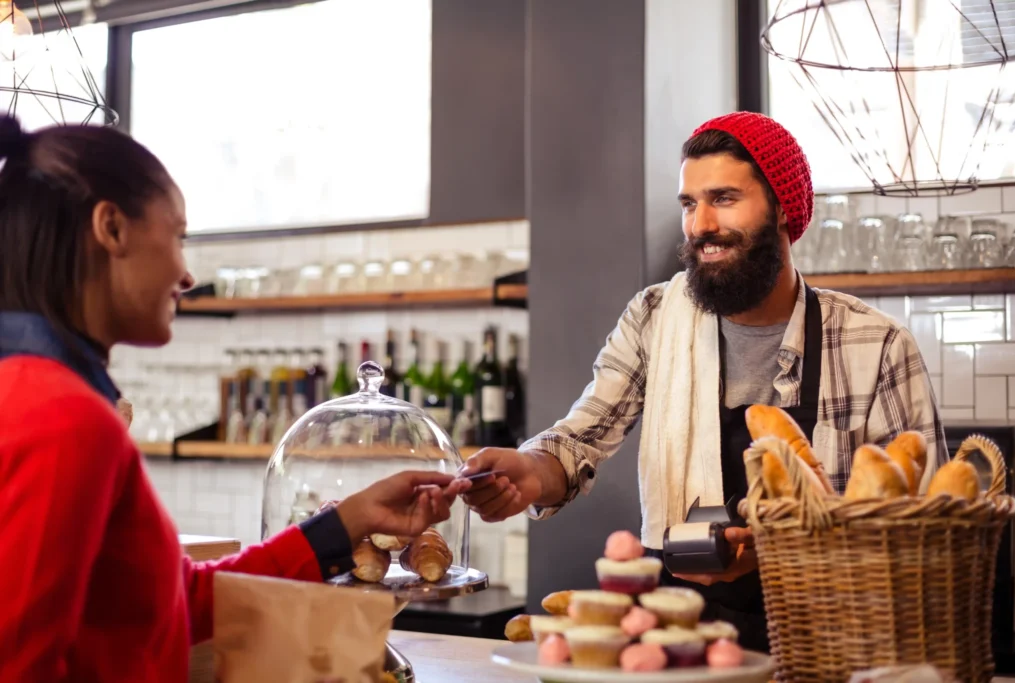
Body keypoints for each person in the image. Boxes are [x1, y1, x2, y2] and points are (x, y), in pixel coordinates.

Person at [0, 114, 470, 683]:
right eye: (177, 237)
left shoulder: (34, 394)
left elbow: (175, 601)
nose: (186, 273)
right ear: (111, 229)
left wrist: (345, 523)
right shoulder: (67, 419)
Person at [459, 111, 948, 652]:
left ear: (784, 209)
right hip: (678, 631)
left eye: (724, 198)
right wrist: (527, 472)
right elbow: (581, 439)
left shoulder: (874, 344)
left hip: (828, 632)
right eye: (690, 203)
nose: (701, 225)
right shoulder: (653, 316)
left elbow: (925, 530)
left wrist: (785, 548)